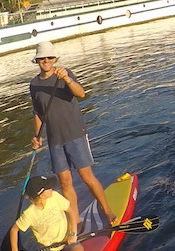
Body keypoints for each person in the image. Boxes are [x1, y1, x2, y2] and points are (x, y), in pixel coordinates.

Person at [28, 41, 120, 225]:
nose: (46, 60)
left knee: (86, 177)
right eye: (42, 58)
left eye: (49, 57)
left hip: (75, 134)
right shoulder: (34, 84)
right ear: (37, 60)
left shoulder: (65, 73)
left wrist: (67, 80)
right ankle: (75, 220)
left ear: (54, 59)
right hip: (55, 139)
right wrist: (37, 136)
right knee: (65, 182)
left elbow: (81, 93)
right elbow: (38, 112)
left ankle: (107, 211)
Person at [8, 174, 86, 251]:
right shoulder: (29, 214)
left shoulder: (55, 197)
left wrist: (73, 234)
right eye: (48, 187)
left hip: (67, 240)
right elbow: (14, 230)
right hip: (48, 247)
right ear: (41, 195)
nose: (52, 188)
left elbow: (71, 211)